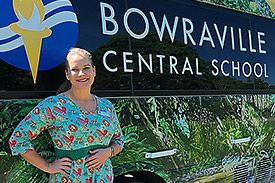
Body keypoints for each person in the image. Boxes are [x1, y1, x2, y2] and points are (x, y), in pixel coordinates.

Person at [9, 47, 124, 183]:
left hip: (103, 178)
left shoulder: (106, 106)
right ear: (67, 75)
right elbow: (18, 139)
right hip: (69, 178)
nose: (81, 74)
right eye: (75, 69)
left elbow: (119, 140)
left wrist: (108, 152)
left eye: (86, 68)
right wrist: (48, 166)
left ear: (94, 71)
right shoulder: (54, 106)